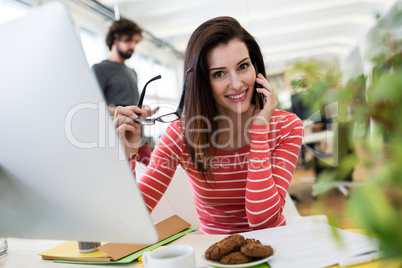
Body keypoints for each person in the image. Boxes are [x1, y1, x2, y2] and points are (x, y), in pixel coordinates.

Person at [112, 16, 304, 234]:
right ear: (202, 81)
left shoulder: (287, 126)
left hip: (275, 250)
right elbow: (132, 217)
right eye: (219, 73)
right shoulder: (181, 133)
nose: (236, 83)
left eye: (243, 66)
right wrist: (126, 158)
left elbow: (263, 221)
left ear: (256, 67)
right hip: (212, 255)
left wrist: (259, 129)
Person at [92, 17, 153, 165]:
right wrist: (124, 111)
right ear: (115, 37)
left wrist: (141, 111)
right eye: (128, 41)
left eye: (135, 42)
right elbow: (93, 107)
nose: (133, 46)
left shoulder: (132, 72)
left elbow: (132, 104)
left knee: (146, 186)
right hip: (118, 145)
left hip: (141, 142)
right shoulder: (100, 69)